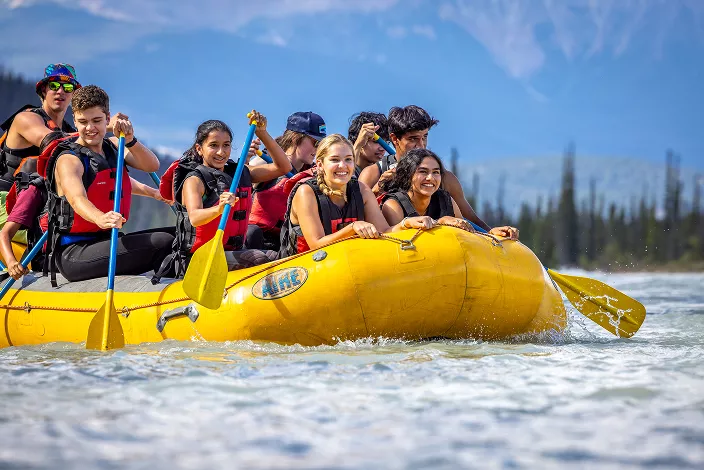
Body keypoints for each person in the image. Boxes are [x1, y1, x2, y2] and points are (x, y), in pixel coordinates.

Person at [43, 85, 174, 285]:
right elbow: (77, 198)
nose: (90, 128)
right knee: (161, 242)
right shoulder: (69, 160)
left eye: (96, 120)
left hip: (107, 240)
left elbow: (149, 166)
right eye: (82, 122)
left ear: (107, 118)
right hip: (76, 253)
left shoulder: (114, 145)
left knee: (177, 234)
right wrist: (100, 217)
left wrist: (131, 141)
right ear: (75, 121)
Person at [154, 113, 291, 281]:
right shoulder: (194, 180)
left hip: (229, 253)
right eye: (213, 145)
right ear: (199, 149)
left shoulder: (240, 173)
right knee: (262, 258)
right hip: (198, 259)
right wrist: (219, 208)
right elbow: (195, 217)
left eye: (226, 145)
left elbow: (283, 167)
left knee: (264, 243)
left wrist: (262, 132)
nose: (221, 152)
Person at [279, 134, 435, 258]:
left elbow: (384, 231)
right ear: (320, 165)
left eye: (348, 159)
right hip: (302, 270)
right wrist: (352, 228)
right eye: (334, 160)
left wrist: (406, 224)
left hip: (344, 265)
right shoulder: (306, 192)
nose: (343, 165)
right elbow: (316, 245)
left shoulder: (361, 190)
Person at [379, 148, 519, 239]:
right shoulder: (393, 206)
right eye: (423, 172)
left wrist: (491, 235)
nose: (430, 178)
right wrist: (442, 222)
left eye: (436, 172)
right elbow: (399, 245)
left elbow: (469, 234)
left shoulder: (445, 200)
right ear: (408, 175)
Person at [248, 111, 326, 251]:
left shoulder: (314, 172)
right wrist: (246, 161)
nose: (318, 149)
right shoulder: (262, 160)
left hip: (288, 242)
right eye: (316, 142)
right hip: (258, 240)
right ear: (296, 138)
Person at [347, 111, 389, 178]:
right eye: (375, 141)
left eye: (386, 143)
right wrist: (358, 145)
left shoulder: (384, 173)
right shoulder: (341, 171)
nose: (382, 149)